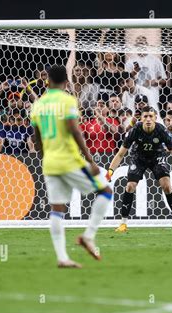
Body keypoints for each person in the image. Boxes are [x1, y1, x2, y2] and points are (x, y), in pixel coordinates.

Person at [31, 65, 113, 269]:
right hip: (69, 159)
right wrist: (90, 160)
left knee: (56, 209)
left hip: (49, 162)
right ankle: (88, 236)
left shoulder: (38, 104)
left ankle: (62, 258)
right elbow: (75, 131)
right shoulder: (68, 100)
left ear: (47, 82)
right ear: (67, 83)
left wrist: (43, 157)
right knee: (106, 191)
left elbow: (36, 136)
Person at [105, 106, 172, 233]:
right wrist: (110, 172)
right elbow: (120, 154)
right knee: (130, 186)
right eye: (145, 116)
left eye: (151, 116)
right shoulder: (135, 130)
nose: (148, 119)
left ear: (155, 118)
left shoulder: (161, 131)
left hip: (157, 156)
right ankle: (123, 223)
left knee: (166, 185)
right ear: (141, 118)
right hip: (138, 157)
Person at [125, 35, 167, 106]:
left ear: (147, 45)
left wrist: (154, 81)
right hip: (135, 97)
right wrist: (134, 72)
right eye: (138, 44)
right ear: (135, 46)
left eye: (143, 44)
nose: (141, 46)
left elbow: (164, 79)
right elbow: (125, 80)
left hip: (152, 95)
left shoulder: (155, 60)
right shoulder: (130, 61)